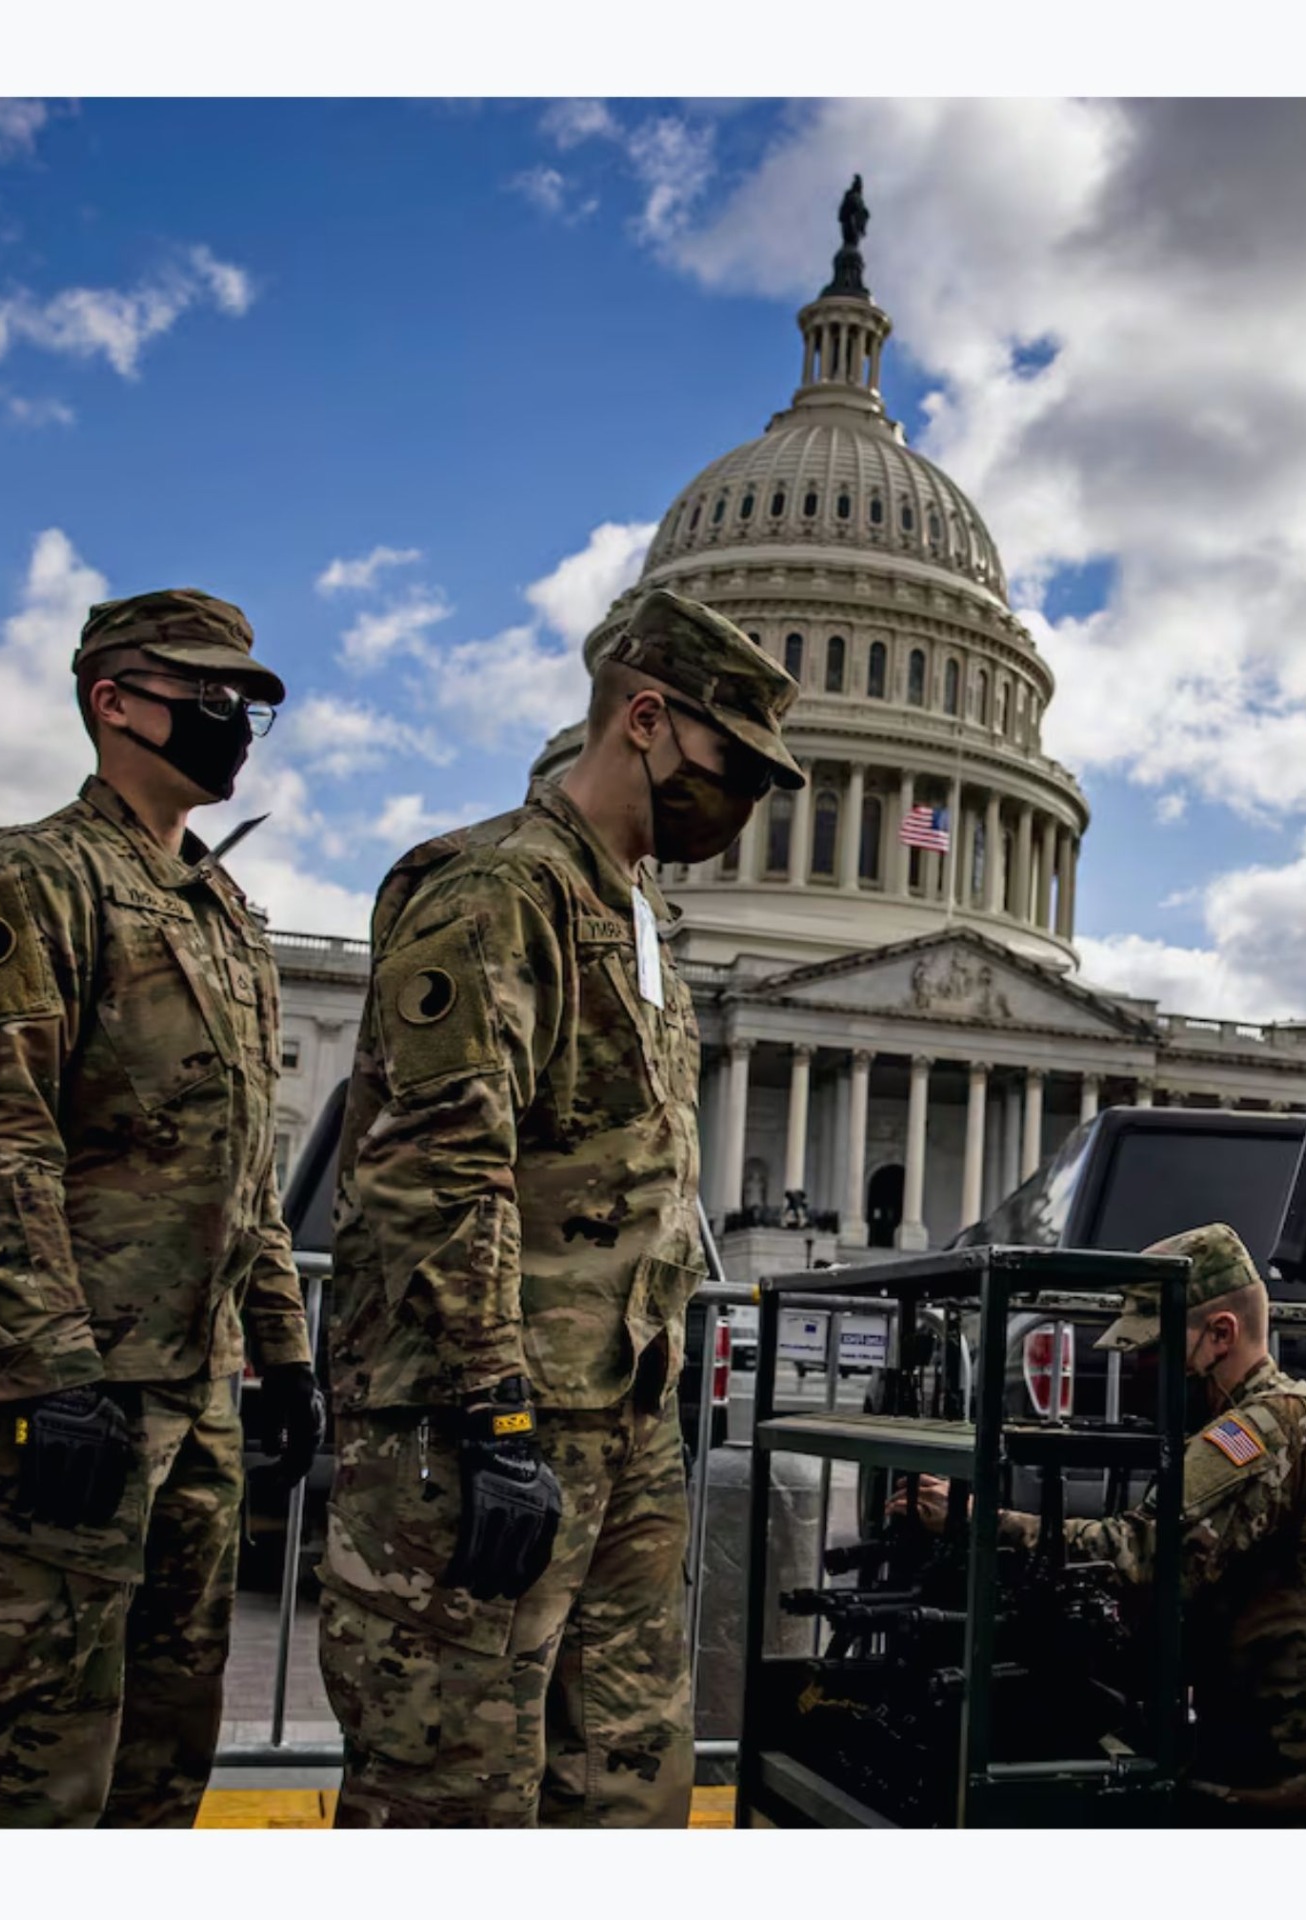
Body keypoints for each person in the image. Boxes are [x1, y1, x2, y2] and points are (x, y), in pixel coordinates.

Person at [318, 587, 803, 1827]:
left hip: (618, 1420)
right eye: (729, 763)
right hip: (484, 1421)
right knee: (451, 1794)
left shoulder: (629, 921)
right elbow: (440, 1165)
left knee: (624, 1779)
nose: (742, 803)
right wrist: (495, 1412)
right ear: (645, 719)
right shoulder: (495, 890)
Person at [0, 589, 320, 1827]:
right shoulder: (33, 876)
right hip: (73, 1406)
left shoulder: (227, 917)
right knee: (36, 1760)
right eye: (208, 694)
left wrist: (285, 1354)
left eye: (247, 701)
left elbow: (246, 1176)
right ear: (114, 701)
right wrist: (47, 1373)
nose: (234, 719)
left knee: (162, 1758)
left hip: (195, 1408)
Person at [896, 1223, 1306, 1826]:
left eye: (1156, 1349)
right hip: (1283, 1779)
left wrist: (978, 1522)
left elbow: (1137, 1555)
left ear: (1220, 1335)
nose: (1143, 1369)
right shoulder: (1259, 1424)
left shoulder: (1275, 1428)